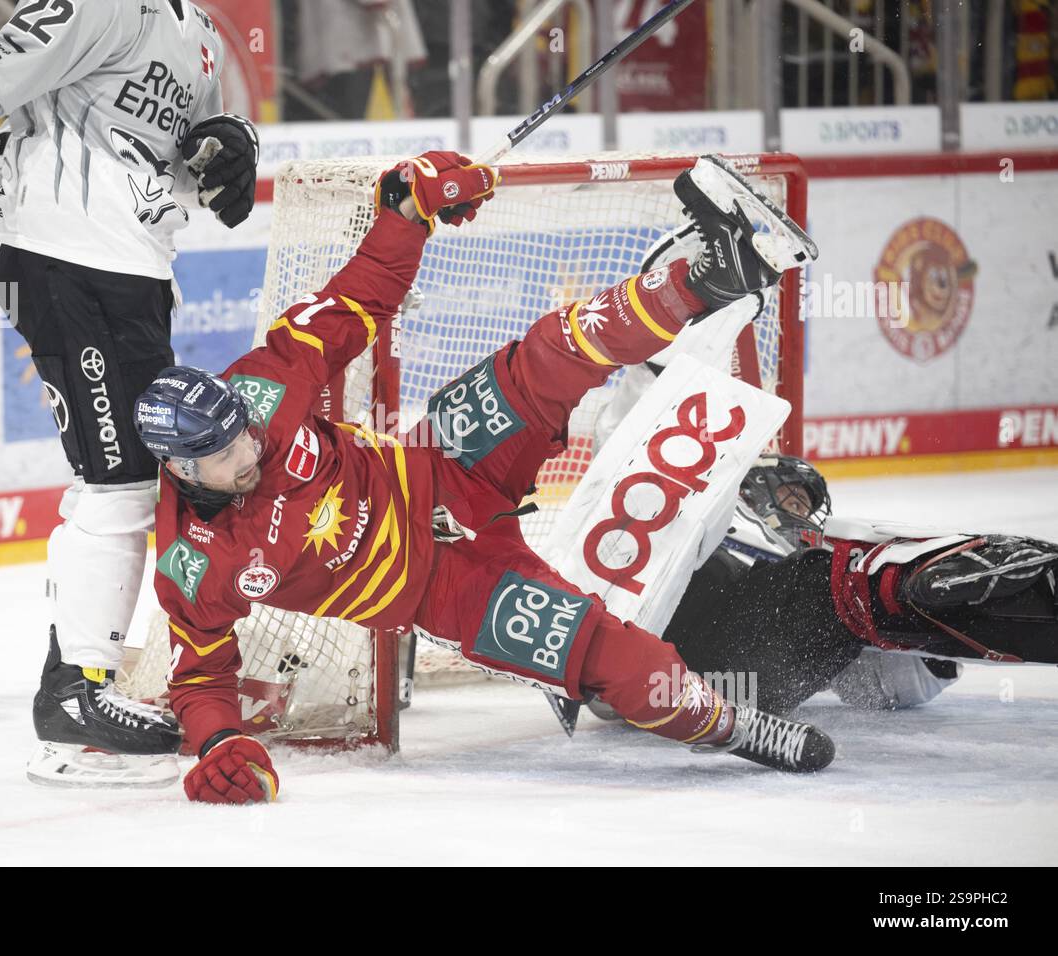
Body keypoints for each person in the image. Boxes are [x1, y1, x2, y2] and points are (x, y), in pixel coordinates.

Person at [132, 149, 835, 806]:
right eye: (224, 457)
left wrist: (407, 212)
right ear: (182, 469)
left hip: (442, 459)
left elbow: (358, 301)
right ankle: (733, 728)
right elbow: (199, 674)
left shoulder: (262, 387)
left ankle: (715, 274)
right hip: (446, 588)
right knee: (603, 657)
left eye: (242, 432)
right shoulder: (191, 565)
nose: (247, 451)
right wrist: (221, 743)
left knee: (551, 352)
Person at [0, 0, 261, 786]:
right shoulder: (103, 4)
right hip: (62, 257)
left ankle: (78, 686)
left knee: (133, 476)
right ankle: (74, 698)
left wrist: (224, 150)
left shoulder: (197, 32)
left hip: (137, 267)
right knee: (117, 479)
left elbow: (179, 161)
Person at [629, 454, 1057, 718]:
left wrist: (929, 658)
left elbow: (872, 687)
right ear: (750, 493)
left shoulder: (788, 574)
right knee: (835, 584)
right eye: (793, 500)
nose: (803, 515)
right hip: (677, 673)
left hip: (717, 687)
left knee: (850, 608)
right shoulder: (705, 522)